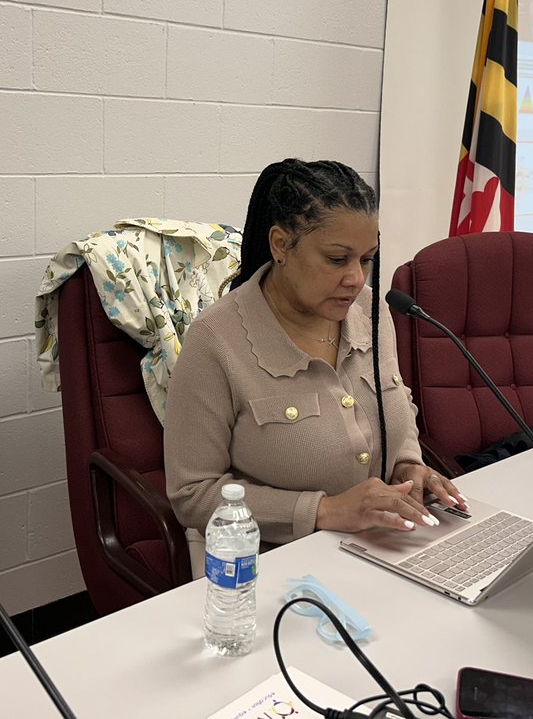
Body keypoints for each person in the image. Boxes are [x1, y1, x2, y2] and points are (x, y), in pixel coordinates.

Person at [164, 159, 465, 567]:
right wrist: (325, 511)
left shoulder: (372, 311)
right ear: (281, 244)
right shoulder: (215, 341)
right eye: (338, 259)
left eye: (367, 259)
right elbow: (192, 494)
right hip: (268, 562)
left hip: (382, 545)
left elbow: (397, 403)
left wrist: (410, 465)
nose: (357, 279)